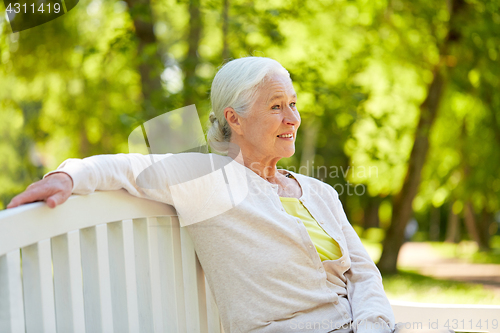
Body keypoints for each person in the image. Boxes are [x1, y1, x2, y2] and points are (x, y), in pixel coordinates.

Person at [7, 57, 453, 333]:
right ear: (233, 119)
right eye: (276, 106)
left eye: (294, 104)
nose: (292, 118)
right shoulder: (209, 181)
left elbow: (363, 274)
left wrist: (375, 327)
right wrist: (66, 176)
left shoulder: (317, 192)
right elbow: (127, 167)